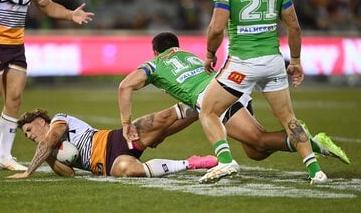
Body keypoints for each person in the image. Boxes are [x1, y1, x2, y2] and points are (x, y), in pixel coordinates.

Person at [118, 32, 350, 184]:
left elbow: (125, 86)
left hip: (217, 99)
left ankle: (314, 143)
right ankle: (302, 139)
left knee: (258, 139)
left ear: (156, 52)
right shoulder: (191, 57)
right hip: (231, 88)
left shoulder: (154, 65)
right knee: (255, 151)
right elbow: (188, 102)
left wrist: (127, 123)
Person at [198, 0, 327, 184]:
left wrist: (209, 54)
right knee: (288, 118)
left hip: (242, 64)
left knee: (208, 111)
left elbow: (216, 28)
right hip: (273, 62)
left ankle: (225, 160)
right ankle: (316, 171)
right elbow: (294, 27)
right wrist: (295, 61)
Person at [0, 0, 94, 172]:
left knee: (15, 99)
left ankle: (4, 156)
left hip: (16, 46)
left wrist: (70, 14)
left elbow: (47, 6)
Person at [8, 108, 217, 179]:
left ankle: (203, 106)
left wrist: (29, 172)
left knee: (164, 123)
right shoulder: (50, 151)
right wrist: (50, 157)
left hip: (116, 139)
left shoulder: (58, 121)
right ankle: (191, 163)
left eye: (28, 130)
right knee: (132, 171)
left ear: (40, 122)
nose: (28, 136)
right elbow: (69, 174)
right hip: (108, 166)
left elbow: (51, 138)